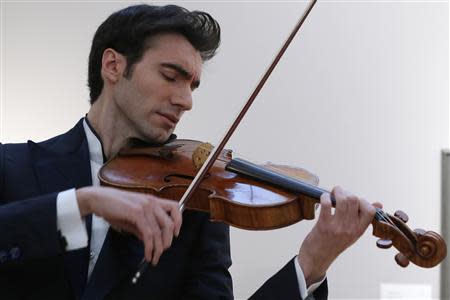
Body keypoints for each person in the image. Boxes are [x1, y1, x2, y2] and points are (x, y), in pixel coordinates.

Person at [0, 4, 379, 300]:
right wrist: (85, 202)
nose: (185, 101)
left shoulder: (194, 201)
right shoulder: (13, 167)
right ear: (113, 66)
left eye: (193, 85)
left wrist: (311, 264)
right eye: (171, 76)